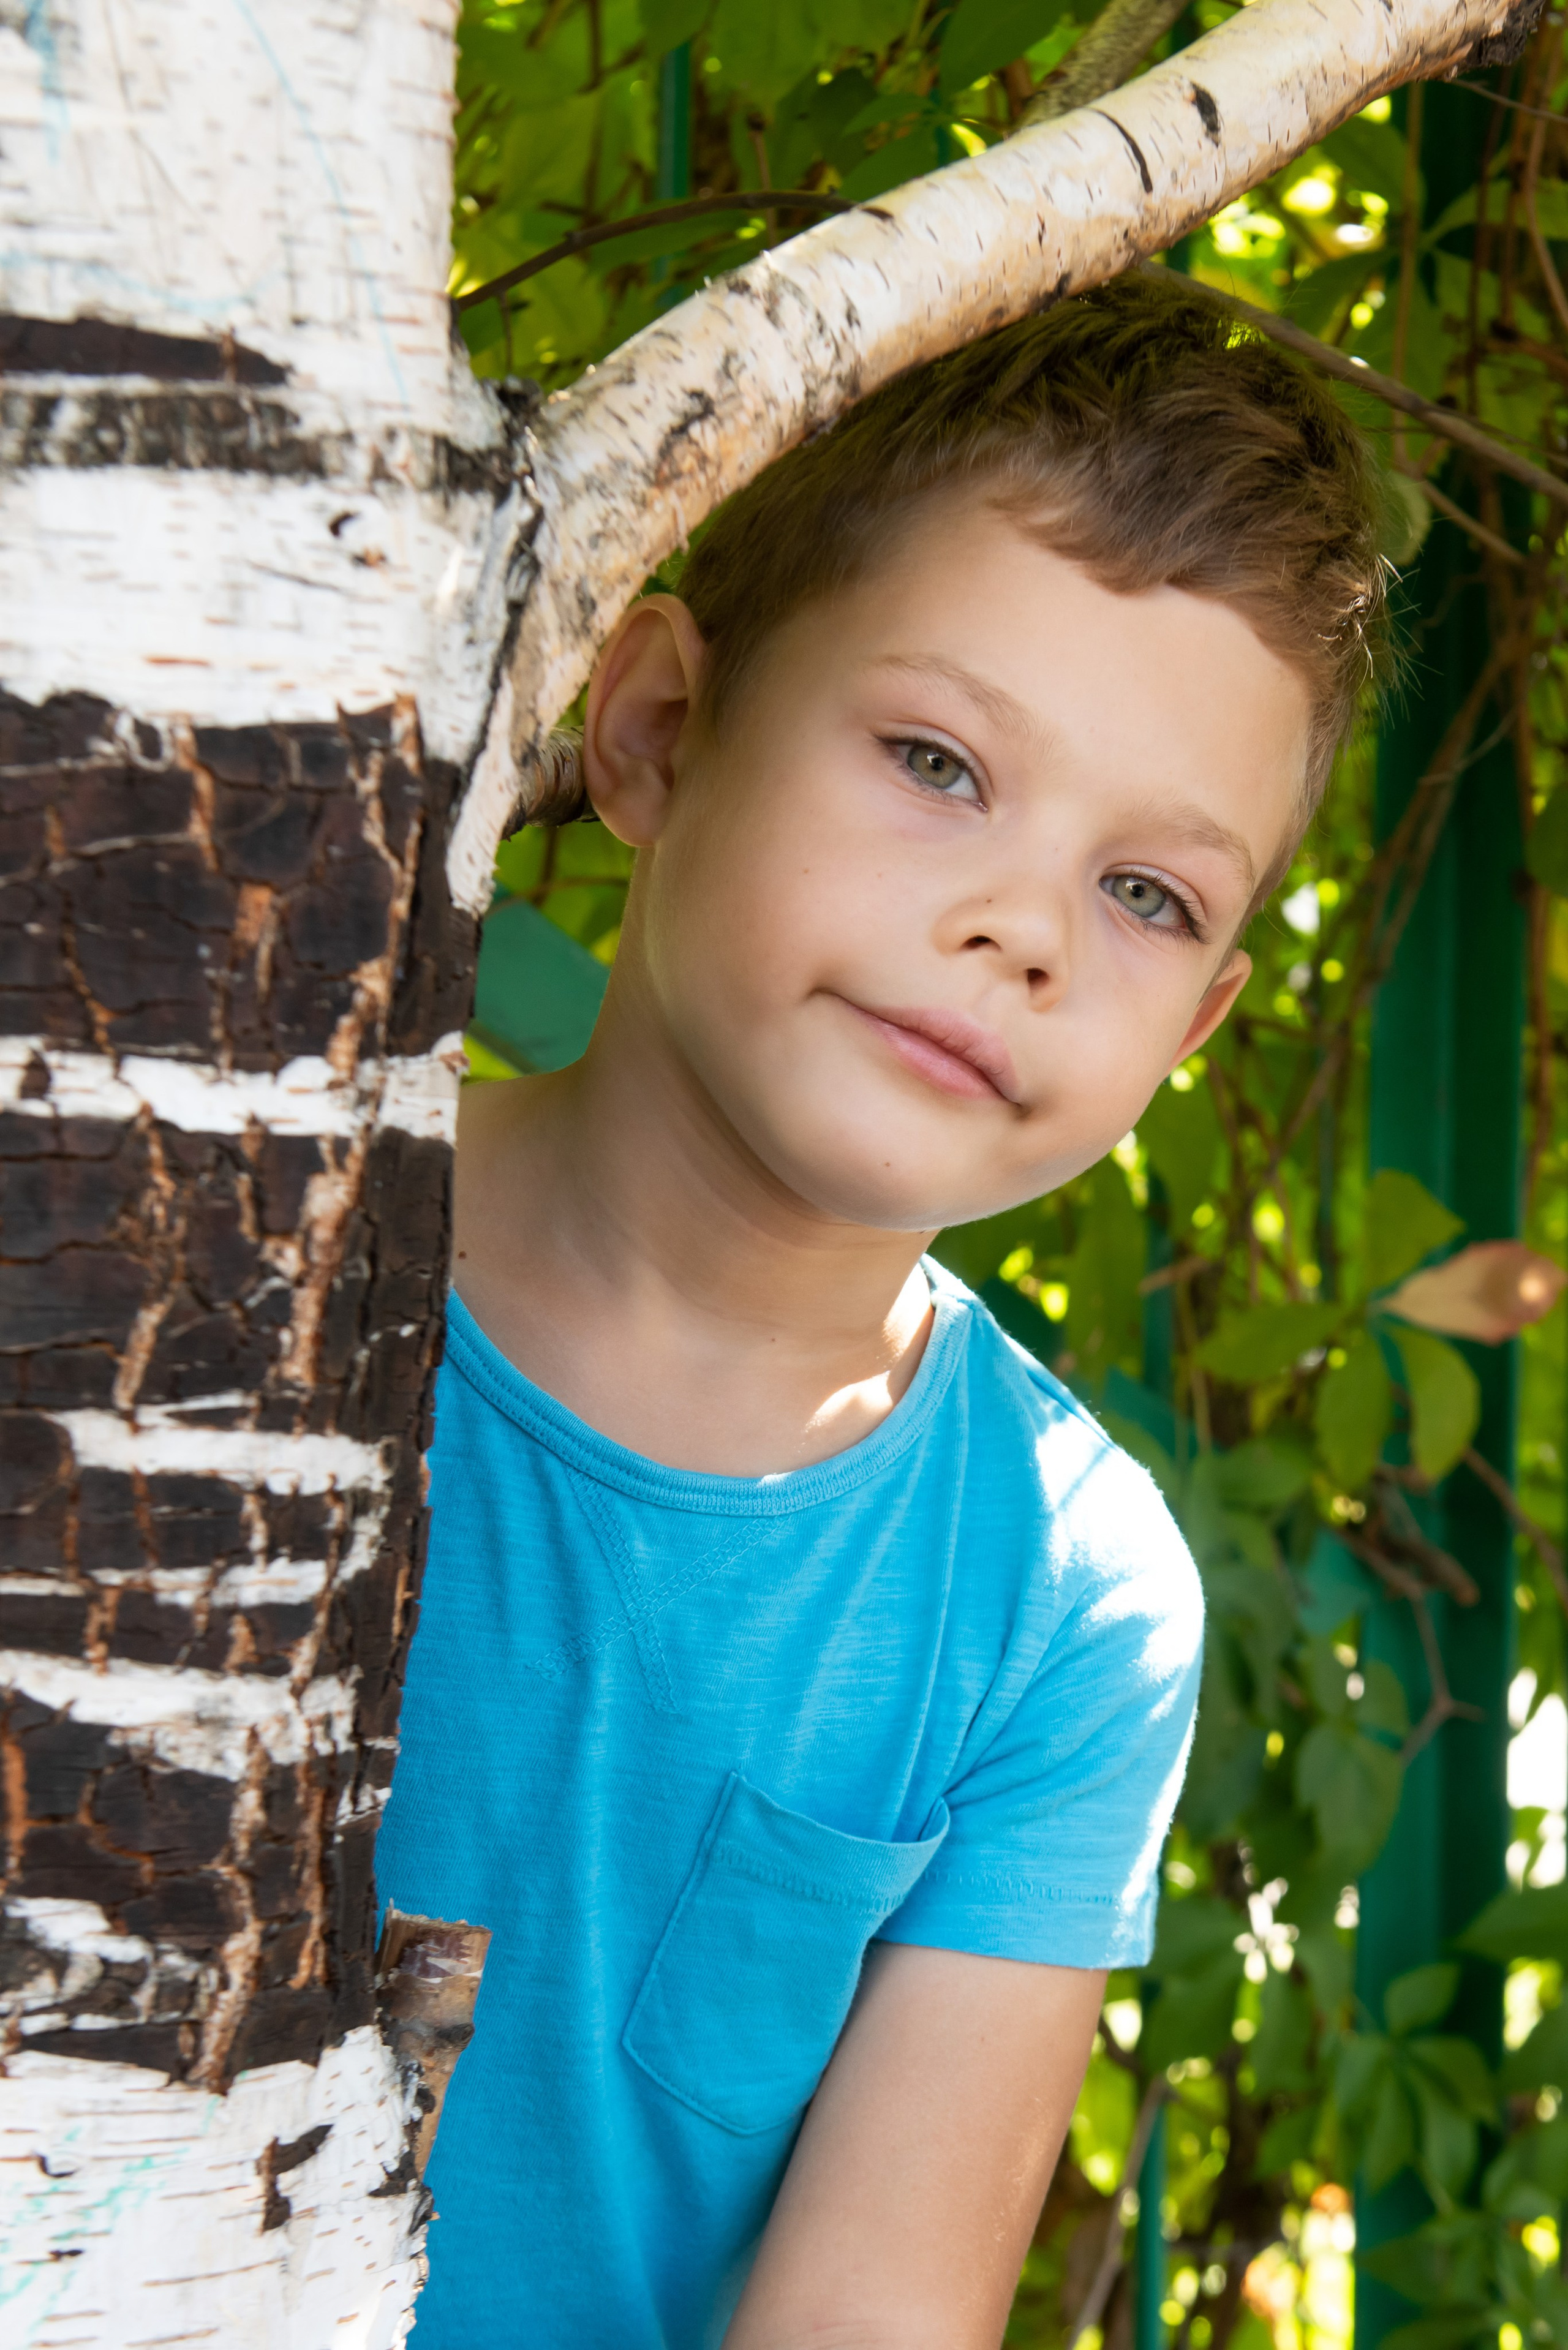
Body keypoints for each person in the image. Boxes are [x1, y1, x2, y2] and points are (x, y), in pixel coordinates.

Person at [375, 273, 1389, 2348]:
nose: (1022, 927)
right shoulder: (209, 1275)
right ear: (660, 730)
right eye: (938, 761)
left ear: (1197, 1027)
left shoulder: (1064, 1600)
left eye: (1146, 893)